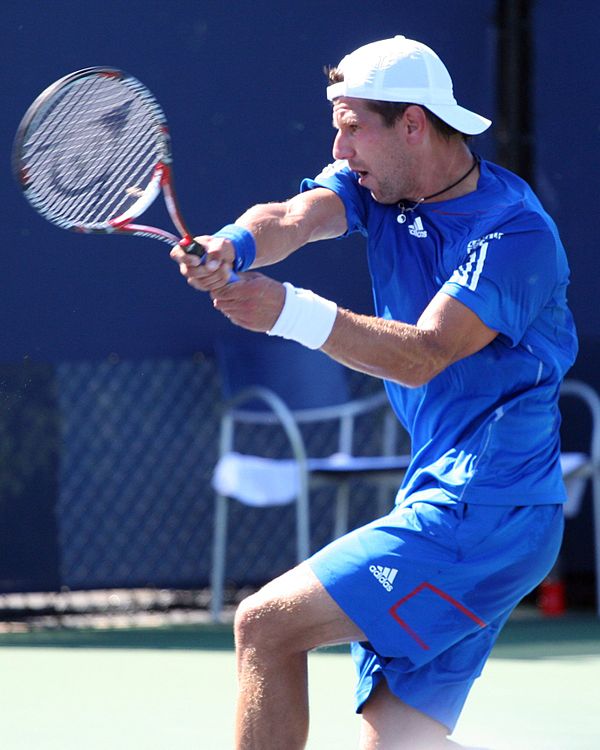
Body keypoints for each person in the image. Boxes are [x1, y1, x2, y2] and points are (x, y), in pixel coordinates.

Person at [171, 35, 578, 750]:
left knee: (265, 626)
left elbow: (423, 356)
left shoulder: (515, 235)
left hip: (487, 505)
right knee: (399, 742)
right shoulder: (370, 185)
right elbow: (292, 220)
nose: (340, 144)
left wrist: (287, 312)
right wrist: (232, 247)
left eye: (353, 124)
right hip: (462, 497)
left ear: (413, 124)